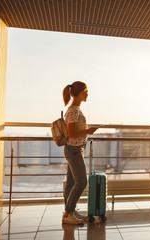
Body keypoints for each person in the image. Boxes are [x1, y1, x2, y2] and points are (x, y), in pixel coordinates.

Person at [62, 81, 98, 225]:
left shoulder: (76, 109)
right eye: (86, 91)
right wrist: (87, 131)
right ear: (81, 93)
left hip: (76, 150)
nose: (88, 94)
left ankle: (70, 211)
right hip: (74, 150)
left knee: (71, 183)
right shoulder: (73, 110)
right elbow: (71, 133)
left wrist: (86, 132)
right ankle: (68, 213)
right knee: (81, 181)